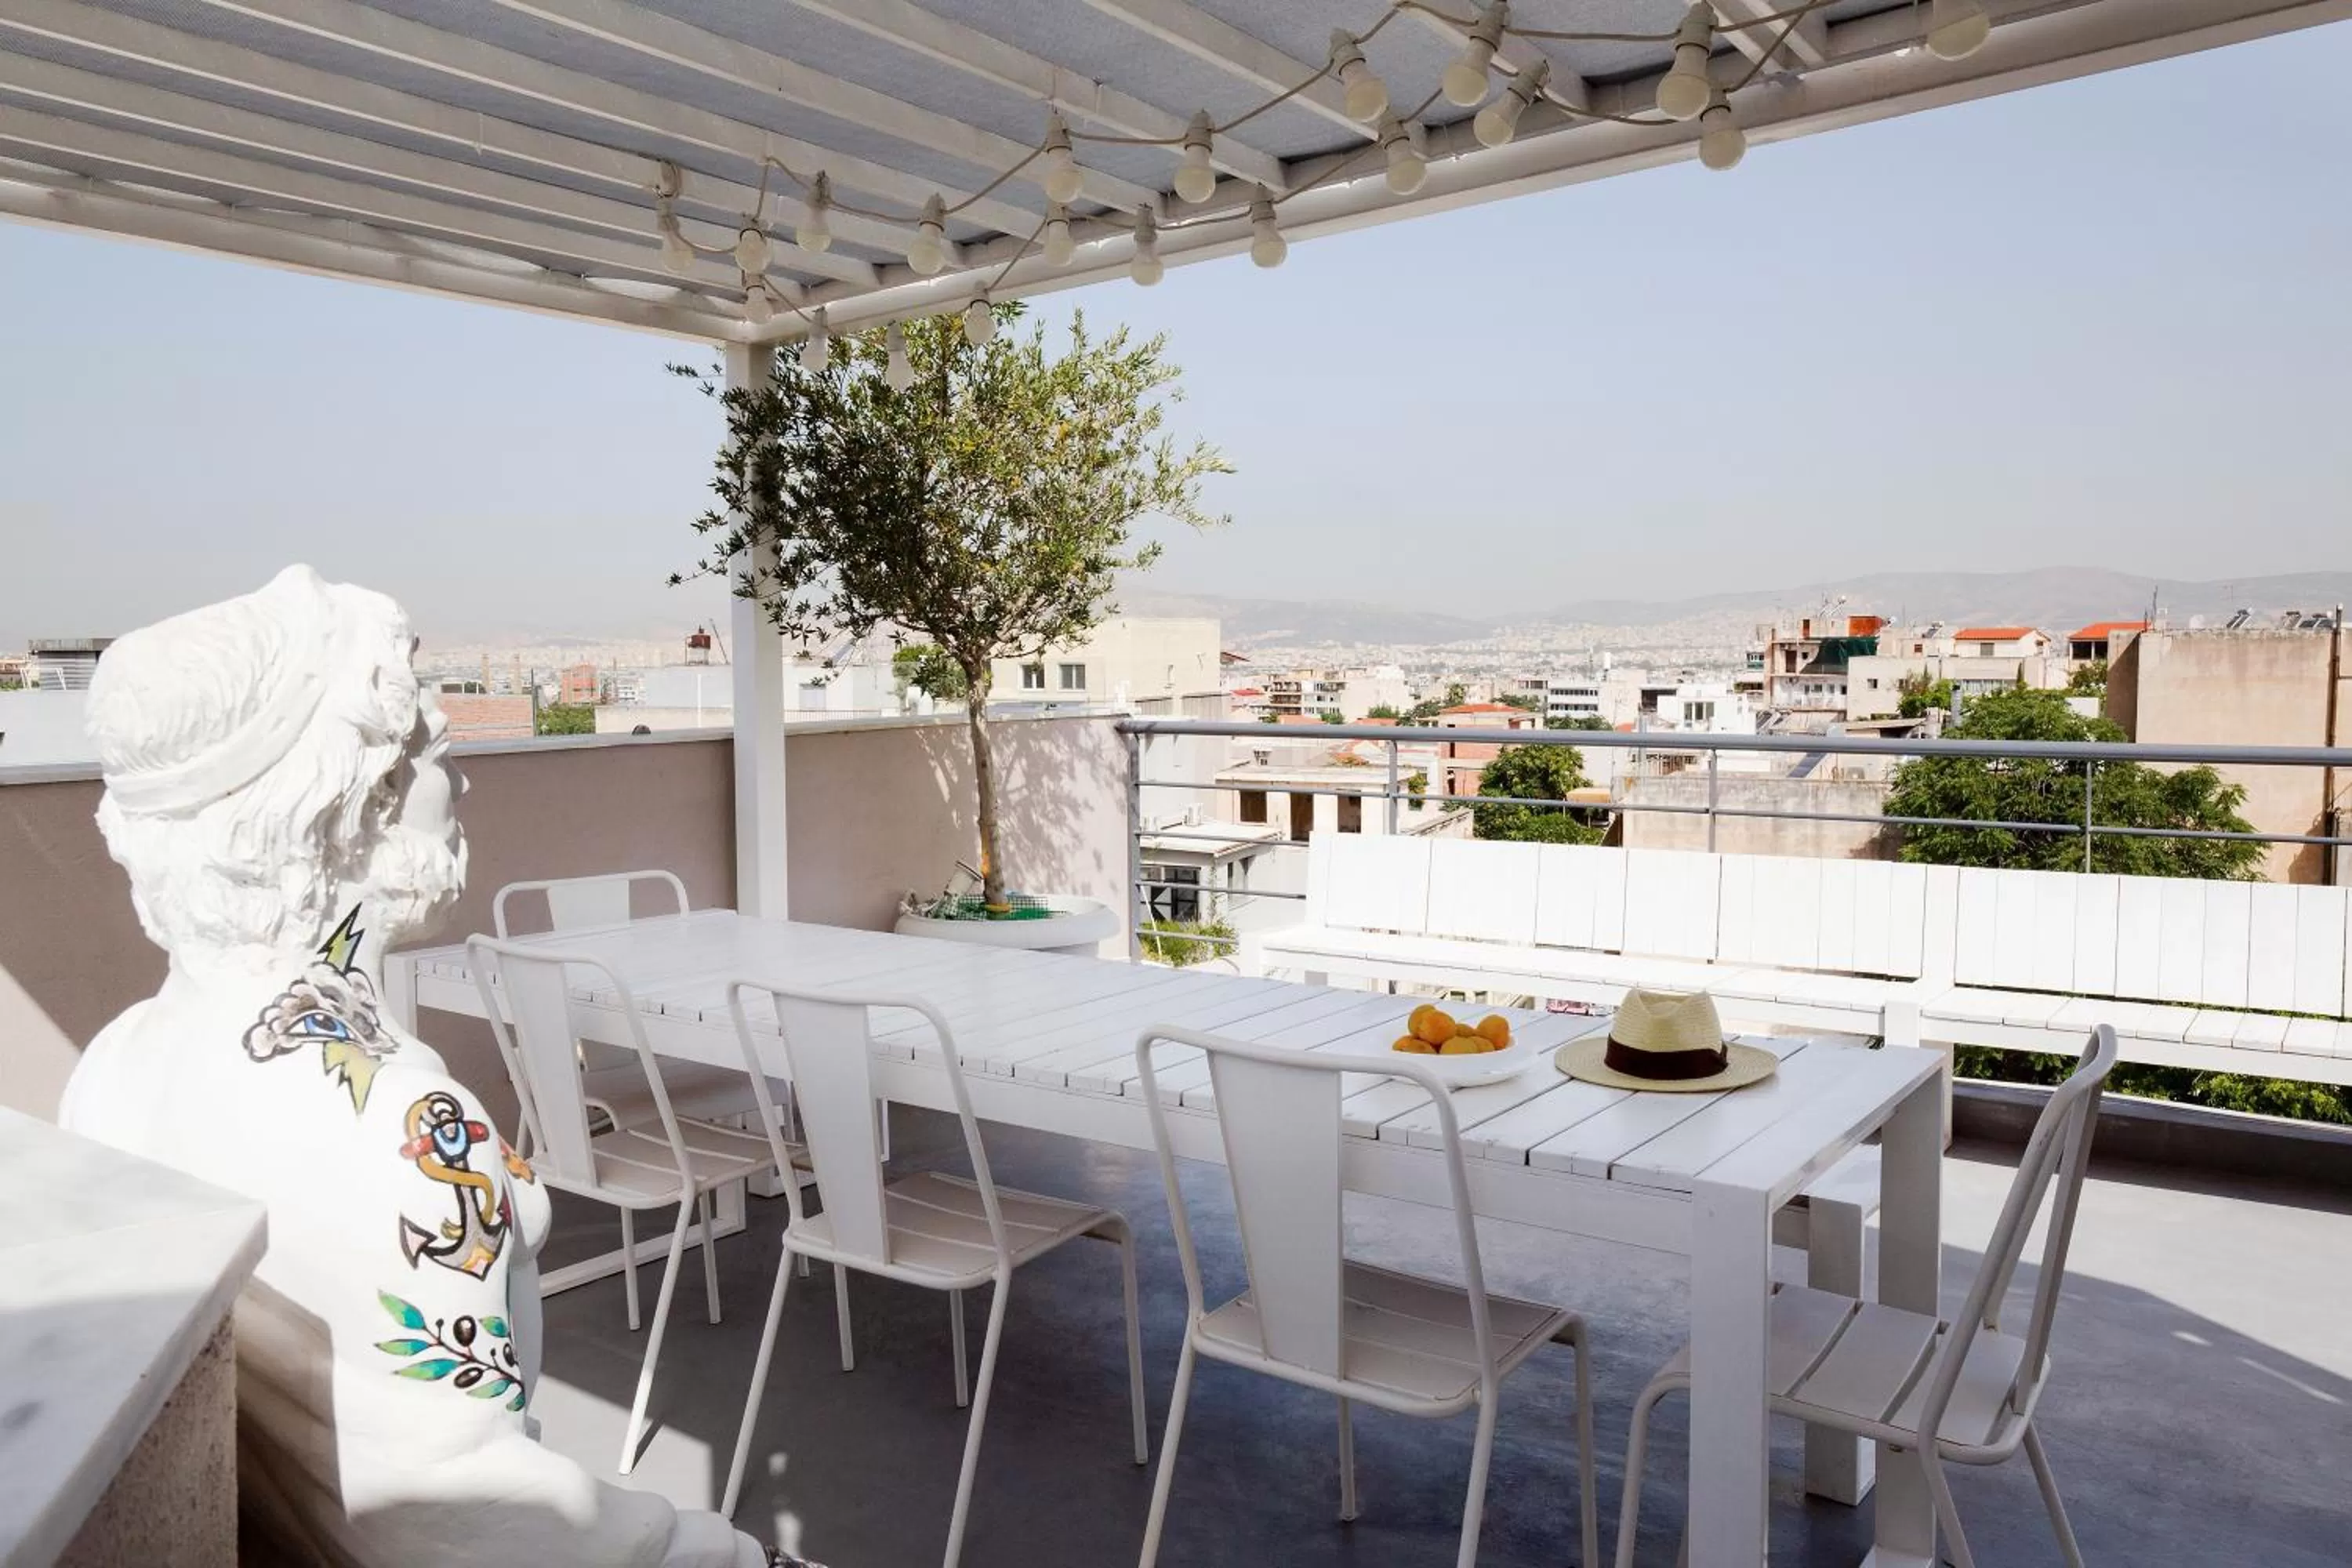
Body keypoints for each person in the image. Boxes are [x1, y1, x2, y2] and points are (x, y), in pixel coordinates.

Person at [60, 567, 815, 1568]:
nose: (460, 782)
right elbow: (489, 1525)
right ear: (357, 800)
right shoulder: (408, 1130)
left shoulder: (112, 1064)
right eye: (432, 750)